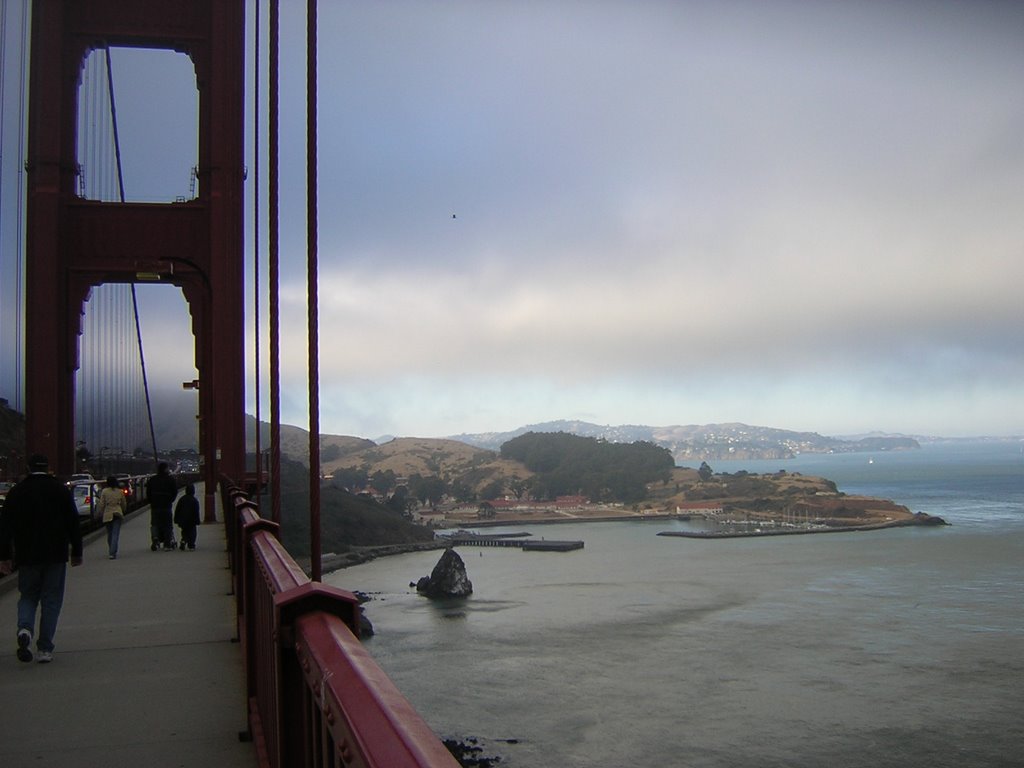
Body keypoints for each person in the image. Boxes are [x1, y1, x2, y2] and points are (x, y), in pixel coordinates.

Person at [0, 454, 83, 663]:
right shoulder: (60, 490)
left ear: (28, 468)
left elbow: (5, 527)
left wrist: (4, 556)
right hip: (55, 554)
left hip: (27, 555)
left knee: (27, 596)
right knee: (51, 600)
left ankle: (25, 629)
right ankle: (45, 649)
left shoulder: (16, 492)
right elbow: (73, 522)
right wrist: (77, 551)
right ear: (47, 468)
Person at [145, 462, 178, 551]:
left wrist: (151, 501)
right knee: (167, 525)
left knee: (155, 524)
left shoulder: (152, 480)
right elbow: (175, 492)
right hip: (166, 506)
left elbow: (148, 493)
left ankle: (155, 540)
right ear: (165, 469)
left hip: (155, 506)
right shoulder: (171, 480)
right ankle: (167, 544)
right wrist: (170, 500)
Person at [96, 475, 127, 559]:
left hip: (108, 513)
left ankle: (111, 549)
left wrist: (99, 513)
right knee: (115, 534)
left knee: (109, 534)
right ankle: (113, 552)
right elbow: (124, 503)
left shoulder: (104, 491)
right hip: (117, 512)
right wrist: (123, 510)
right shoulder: (120, 491)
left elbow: (102, 504)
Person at [174, 483, 201, 551]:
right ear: (193, 491)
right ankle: (191, 545)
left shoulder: (182, 499)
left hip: (182, 520)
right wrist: (197, 520)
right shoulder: (194, 501)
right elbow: (196, 512)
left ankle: (184, 540)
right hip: (191, 520)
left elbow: (177, 510)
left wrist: (176, 519)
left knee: (184, 531)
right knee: (192, 532)